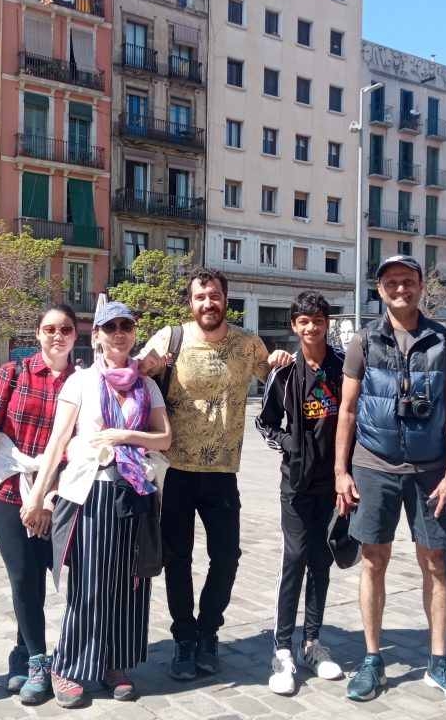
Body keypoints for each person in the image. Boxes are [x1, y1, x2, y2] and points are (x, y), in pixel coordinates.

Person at [334, 255, 446, 704]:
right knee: (373, 559)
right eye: (392, 282)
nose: (401, 289)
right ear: (380, 289)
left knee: (435, 562)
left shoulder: (445, 340)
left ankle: (439, 660)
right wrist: (340, 471)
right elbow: (348, 410)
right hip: (374, 465)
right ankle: (373, 658)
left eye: (408, 281)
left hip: (431, 469)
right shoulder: (363, 340)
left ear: (419, 286)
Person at [21, 301, 172, 707]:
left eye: (126, 326)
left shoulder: (147, 385)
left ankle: (114, 663)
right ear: (98, 336)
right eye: (111, 327)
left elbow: (164, 438)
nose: (119, 333)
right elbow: (58, 440)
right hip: (91, 491)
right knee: (90, 585)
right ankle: (68, 667)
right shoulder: (82, 382)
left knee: (130, 584)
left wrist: (123, 435)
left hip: (136, 490)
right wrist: (38, 494)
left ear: (134, 333)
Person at [139, 268, 283, 680]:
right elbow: (132, 376)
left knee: (226, 557)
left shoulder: (247, 343)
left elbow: (276, 381)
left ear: (226, 300)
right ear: (191, 301)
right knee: (177, 559)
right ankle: (185, 638)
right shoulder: (170, 338)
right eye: (201, 296)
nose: (208, 303)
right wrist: (145, 366)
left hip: (223, 473)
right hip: (176, 472)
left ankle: (208, 632)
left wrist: (279, 359)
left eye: (215, 296)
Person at [0, 303, 78, 704]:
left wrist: (48, 497)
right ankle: (38, 659)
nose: (57, 335)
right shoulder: (13, 373)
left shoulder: (82, 382)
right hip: (6, 487)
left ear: (75, 336)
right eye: (50, 328)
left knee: (39, 575)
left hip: (55, 491)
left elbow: (77, 444)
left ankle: (20, 652)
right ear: (38, 333)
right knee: (21, 575)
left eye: (65, 329)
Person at [256, 291, 346, 695]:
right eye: (303, 321)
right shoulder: (285, 371)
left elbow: (354, 418)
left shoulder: (342, 367)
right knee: (294, 559)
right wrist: (288, 444)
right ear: (294, 326)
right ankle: (282, 649)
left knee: (321, 560)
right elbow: (265, 422)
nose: (311, 327)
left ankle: (312, 642)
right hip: (295, 482)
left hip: (333, 481)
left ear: (327, 322)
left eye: (318, 320)